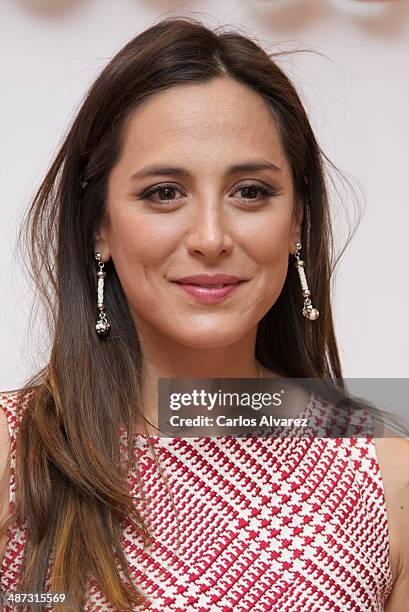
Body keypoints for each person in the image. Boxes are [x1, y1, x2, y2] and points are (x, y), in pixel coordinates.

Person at [0, 16, 408, 612]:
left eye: (251, 192)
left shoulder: (389, 477)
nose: (211, 237)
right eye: (164, 192)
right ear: (98, 228)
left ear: (296, 220)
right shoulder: (15, 455)